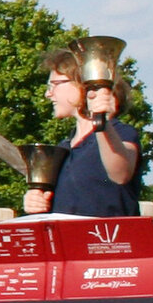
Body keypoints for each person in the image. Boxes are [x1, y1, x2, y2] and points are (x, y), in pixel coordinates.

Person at [25, 46, 142, 218]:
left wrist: (101, 122)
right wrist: (35, 202)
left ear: (82, 84)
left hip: (109, 242)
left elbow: (120, 174)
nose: (48, 94)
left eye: (54, 85)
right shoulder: (63, 148)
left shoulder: (121, 133)